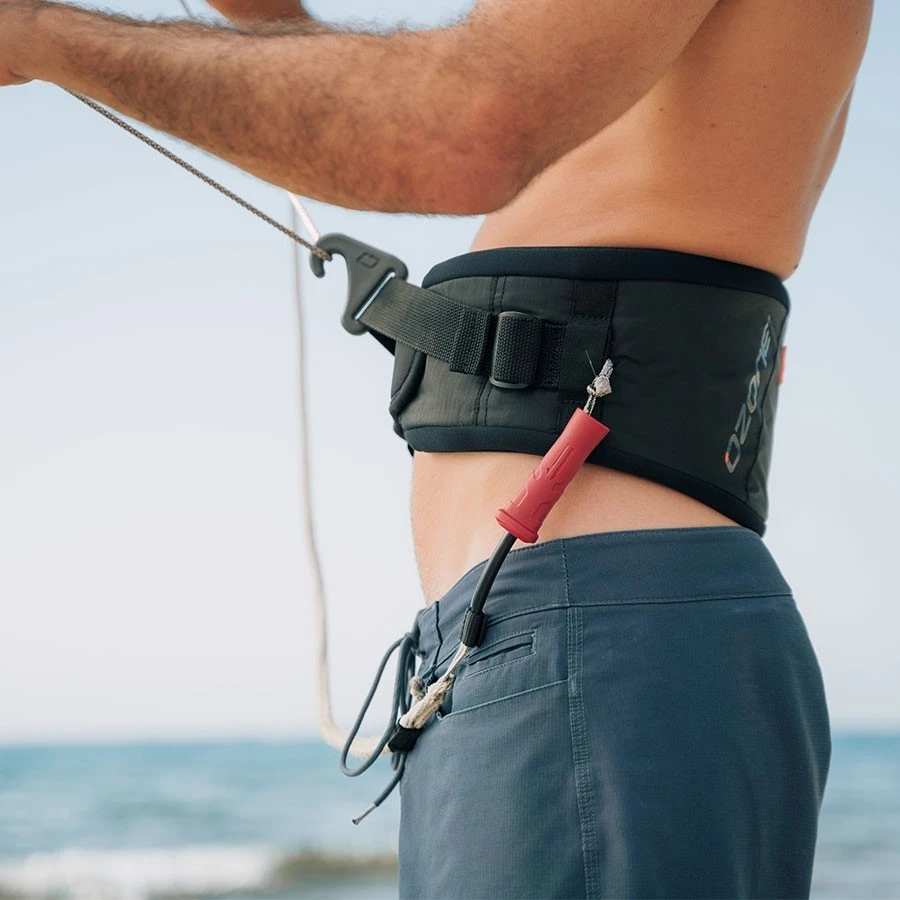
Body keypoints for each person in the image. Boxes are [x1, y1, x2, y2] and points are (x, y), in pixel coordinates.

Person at [0, 0, 874, 897]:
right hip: (573, 633)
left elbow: (461, 129)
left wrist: (37, 36)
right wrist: (269, 21)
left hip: (592, 630)